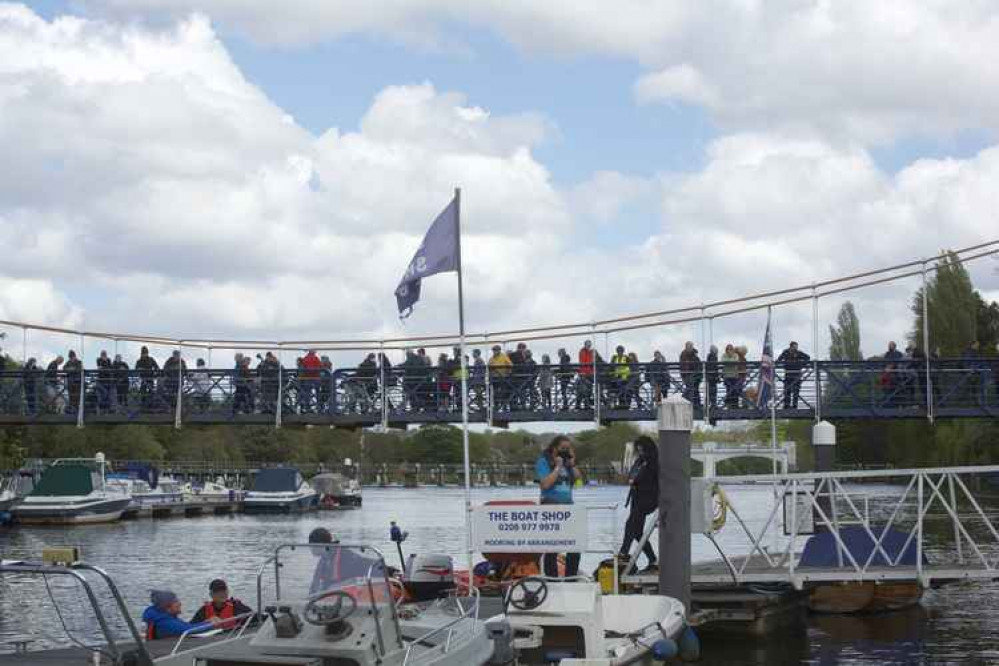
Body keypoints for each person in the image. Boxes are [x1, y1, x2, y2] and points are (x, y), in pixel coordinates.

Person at [535, 435, 582, 578]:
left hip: (568, 507)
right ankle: (552, 578)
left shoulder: (568, 464)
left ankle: (571, 577)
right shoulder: (543, 461)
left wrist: (572, 463)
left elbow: (579, 479)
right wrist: (557, 467)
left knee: (575, 544)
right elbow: (545, 484)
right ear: (554, 448)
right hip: (551, 506)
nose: (565, 451)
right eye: (562, 449)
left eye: (568, 449)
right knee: (552, 546)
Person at [619, 436, 659, 572]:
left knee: (630, 524)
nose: (641, 453)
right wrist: (632, 479)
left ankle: (623, 553)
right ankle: (653, 560)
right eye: (639, 450)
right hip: (636, 497)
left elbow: (654, 479)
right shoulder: (639, 461)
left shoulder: (655, 461)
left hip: (649, 498)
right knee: (637, 532)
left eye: (643, 450)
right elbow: (632, 475)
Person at [308, 527, 383, 595]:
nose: (310, 548)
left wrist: (333, 587)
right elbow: (315, 585)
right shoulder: (324, 559)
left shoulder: (346, 557)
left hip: (366, 584)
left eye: (312, 545)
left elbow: (354, 580)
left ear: (321, 545)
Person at [142, 589, 219, 640]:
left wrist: (206, 622)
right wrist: (210, 624)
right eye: (175, 602)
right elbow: (187, 629)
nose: (180, 603)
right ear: (167, 607)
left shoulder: (162, 617)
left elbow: (184, 626)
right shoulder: (164, 622)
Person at [190, 579, 254, 630]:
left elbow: (254, 617)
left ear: (227, 591)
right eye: (217, 591)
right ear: (211, 594)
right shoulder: (203, 610)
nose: (222, 594)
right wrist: (206, 622)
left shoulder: (237, 606)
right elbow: (191, 626)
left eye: (224, 590)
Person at [777, 342, 810, 409]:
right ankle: (786, 405)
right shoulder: (786, 352)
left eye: (796, 347)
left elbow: (807, 357)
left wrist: (801, 365)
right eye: (795, 347)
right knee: (787, 390)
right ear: (791, 347)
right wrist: (784, 365)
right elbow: (779, 359)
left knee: (796, 391)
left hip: (797, 374)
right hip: (788, 374)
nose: (796, 348)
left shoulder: (798, 353)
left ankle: (795, 405)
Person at [135, 346, 160, 411]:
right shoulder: (139, 361)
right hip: (143, 379)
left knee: (151, 392)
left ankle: (150, 405)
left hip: (150, 378)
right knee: (143, 392)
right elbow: (136, 369)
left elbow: (157, 367)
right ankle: (143, 406)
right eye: (143, 353)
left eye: (146, 352)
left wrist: (155, 374)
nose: (145, 354)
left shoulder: (151, 359)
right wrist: (140, 369)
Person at [488, 345, 512, 411]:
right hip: (494, 378)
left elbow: (510, 365)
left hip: (503, 378)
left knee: (503, 392)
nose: (494, 351)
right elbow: (488, 367)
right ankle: (496, 406)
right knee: (495, 393)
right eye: (494, 350)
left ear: (499, 350)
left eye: (496, 350)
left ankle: (504, 406)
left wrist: (508, 373)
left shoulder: (504, 356)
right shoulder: (491, 358)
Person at [678, 342, 701, 407]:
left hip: (695, 374)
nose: (690, 348)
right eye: (689, 346)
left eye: (691, 346)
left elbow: (698, 364)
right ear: (686, 347)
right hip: (687, 374)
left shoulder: (694, 354)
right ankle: (689, 402)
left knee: (694, 389)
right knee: (690, 388)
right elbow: (684, 365)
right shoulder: (684, 354)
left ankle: (695, 403)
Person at [577, 340, 595, 410]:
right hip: (584, 373)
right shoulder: (583, 351)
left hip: (590, 373)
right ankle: (583, 405)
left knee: (588, 390)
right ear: (585, 345)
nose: (589, 345)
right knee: (584, 390)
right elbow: (583, 361)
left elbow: (592, 361)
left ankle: (585, 405)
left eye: (589, 344)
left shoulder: (590, 352)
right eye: (588, 344)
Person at [63, 350, 83, 414]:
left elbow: (79, 369)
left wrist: (71, 369)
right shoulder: (68, 363)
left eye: (72, 357)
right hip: (70, 383)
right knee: (71, 397)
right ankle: (73, 411)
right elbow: (64, 369)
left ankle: (77, 411)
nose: (71, 358)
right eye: (70, 357)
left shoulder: (79, 362)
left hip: (77, 383)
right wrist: (72, 369)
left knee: (77, 397)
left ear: (75, 356)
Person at [705, 345, 719, 415]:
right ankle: (713, 405)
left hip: (710, 377)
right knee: (713, 391)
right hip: (712, 378)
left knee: (710, 392)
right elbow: (714, 367)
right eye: (717, 351)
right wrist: (716, 376)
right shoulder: (713, 357)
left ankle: (711, 405)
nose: (717, 352)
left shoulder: (709, 357)